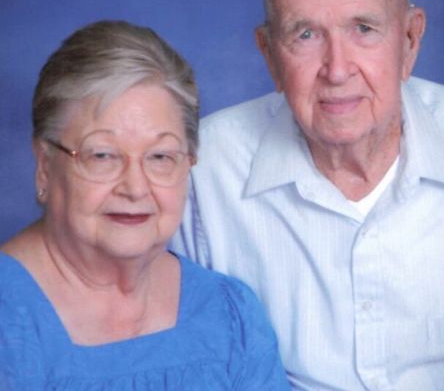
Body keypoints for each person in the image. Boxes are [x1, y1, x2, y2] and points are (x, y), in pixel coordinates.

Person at [171, 0, 444, 390]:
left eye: (364, 29)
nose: (336, 70)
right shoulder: (201, 170)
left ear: (409, 40)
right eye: (305, 35)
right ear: (269, 54)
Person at [0, 20, 290, 390]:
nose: (135, 188)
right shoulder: (8, 322)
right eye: (102, 155)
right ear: (44, 166)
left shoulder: (230, 316)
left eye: (160, 157)